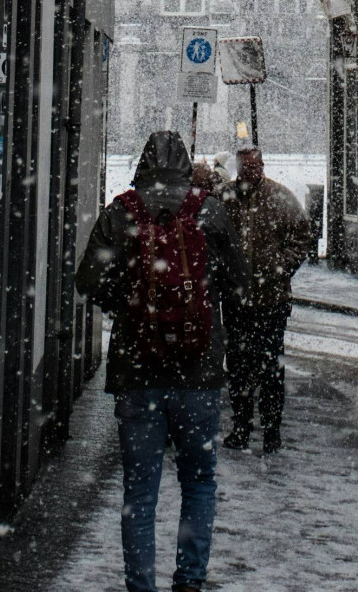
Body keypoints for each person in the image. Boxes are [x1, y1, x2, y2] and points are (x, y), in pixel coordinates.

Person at [76, 131, 247, 592]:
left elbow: (88, 278)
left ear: (142, 164)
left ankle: (141, 584)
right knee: (198, 482)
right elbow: (239, 283)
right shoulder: (209, 210)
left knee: (140, 492)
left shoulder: (122, 211)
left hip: (138, 372)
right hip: (200, 375)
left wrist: (128, 306)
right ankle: (190, 579)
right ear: (187, 166)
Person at [221, 147, 313, 453]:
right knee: (238, 366)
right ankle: (242, 425)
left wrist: (280, 268)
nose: (250, 172)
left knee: (271, 366)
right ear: (237, 168)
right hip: (236, 301)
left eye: (255, 166)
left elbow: (302, 238)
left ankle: (272, 429)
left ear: (262, 166)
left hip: (271, 300)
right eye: (245, 167)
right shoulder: (225, 198)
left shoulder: (281, 198)